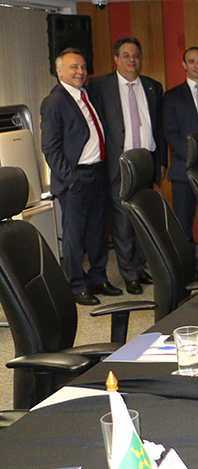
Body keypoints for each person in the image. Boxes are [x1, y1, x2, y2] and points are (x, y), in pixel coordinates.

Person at [40, 48, 118, 305]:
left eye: (83, 67)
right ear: (59, 71)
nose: (80, 72)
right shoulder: (55, 101)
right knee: (74, 237)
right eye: (73, 67)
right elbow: (50, 147)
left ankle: (98, 278)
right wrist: (70, 179)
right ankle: (76, 286)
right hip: (76, 179)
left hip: (97, 173)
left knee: (97, 232)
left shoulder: (86, 95)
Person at [89, 37, 164, 295]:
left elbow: (159, 128)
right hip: (118, 163)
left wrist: (160, 162)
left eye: (136, 55)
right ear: (116, 59)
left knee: (143, 218)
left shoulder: (153, 86)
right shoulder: (100, 86)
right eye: (126, 55)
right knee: (122, 221)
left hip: (146, 161)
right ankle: (129, 274)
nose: (132, 60)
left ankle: (140, 267)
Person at [163, 46, 198, 253]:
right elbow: (171, 134)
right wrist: (194, 156)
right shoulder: (172, 96)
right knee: (183, 222)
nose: (197, 65)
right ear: (184, 65)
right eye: (192, 61)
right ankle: (189, 264)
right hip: (183, 170)